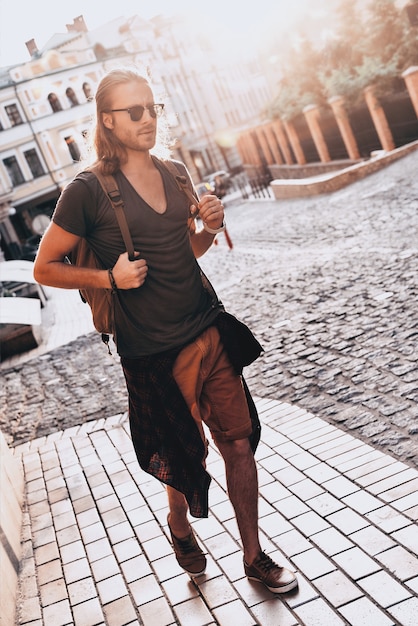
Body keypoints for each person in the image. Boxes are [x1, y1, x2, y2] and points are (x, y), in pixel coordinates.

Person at [33, 68, 298, 594]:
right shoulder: (85, 191)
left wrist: (209, 227)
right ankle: (178, 522)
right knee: (184, 453)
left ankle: (254, 555)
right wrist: (109, 277)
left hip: (208, 328)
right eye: (134, 111)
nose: (147, 118)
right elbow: (45, 267)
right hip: (151, 350)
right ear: (107, 120)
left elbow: (187, 251)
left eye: (152, 107)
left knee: (238, 444)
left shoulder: (177, 172)